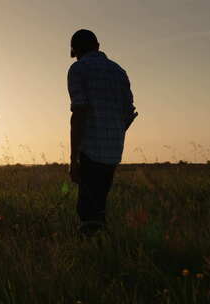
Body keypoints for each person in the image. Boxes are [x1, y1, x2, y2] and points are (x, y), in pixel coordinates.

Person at [67, 29, 137, 236]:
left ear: (75, 51)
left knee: (88, 213)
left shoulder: (78, 69)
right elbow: (128, 112)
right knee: (99, 206)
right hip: (113, 151)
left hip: (90, 150)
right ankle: (103, 250)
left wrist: (73, 159)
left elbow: (78, 113)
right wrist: (114, 134)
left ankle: (95, 256)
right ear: (98, 46)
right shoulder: (119, 71)